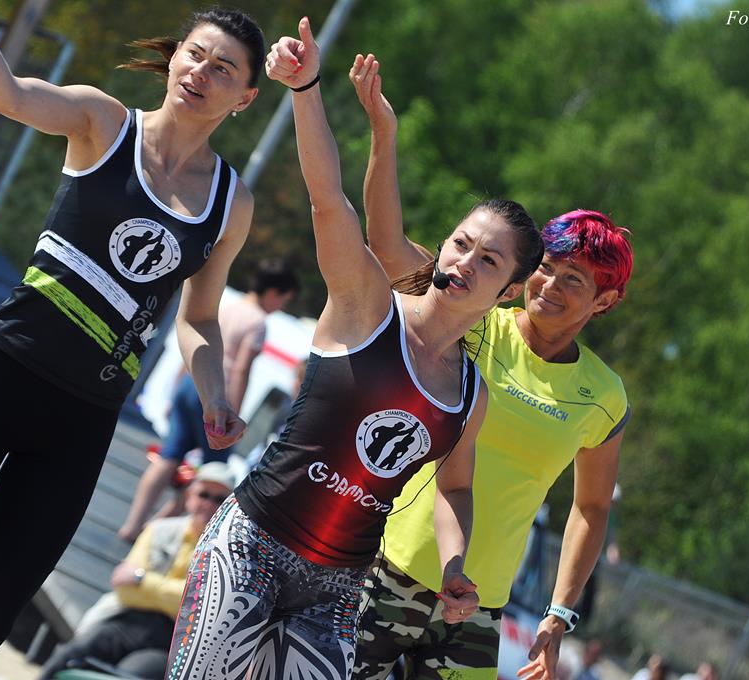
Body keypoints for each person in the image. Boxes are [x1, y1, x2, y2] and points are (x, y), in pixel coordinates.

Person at [0, 4, 265, 678]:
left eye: (223, 69)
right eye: (196, 54)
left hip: (82, 420)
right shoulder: (103, 121)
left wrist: (215, 395)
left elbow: (198, 319)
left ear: (246, 97)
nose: (201, 73)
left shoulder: (231, 202)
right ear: (174, 57)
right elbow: (6, 96)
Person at [164, 19, 545, 680]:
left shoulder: (469, 394)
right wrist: (306, 88)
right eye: (461, 244)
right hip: (253, 543)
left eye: (489, 261)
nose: (465, 262)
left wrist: (455, 565)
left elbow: (455, 488)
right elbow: (328, 200)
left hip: (338, 587)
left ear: (509, 292)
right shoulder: (369, 303)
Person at [346, 54, 632, 680]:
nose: (551, 286)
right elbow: (387, 245)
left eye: (575, 280)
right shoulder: (473, 316)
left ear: (605, 302)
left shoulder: (603, 396)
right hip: (385, 565)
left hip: (477, 606)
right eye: (547, 268)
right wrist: (383, 134)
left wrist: (559, 615)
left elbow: (591, 509)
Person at [119, 258, 299, 541]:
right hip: (217, 394)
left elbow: (196, 343)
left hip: (191, 382)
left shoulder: (228, 307)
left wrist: (177, 386)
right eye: (284, 301)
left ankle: (133, 523)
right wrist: (234, 411)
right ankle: (154, 530)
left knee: (170, 455)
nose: (281, 307)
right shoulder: (257, 323)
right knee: (213, 474)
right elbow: (240, 370)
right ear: (274, 293)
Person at [37, 463, 237, 680]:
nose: (209, 504)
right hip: (127, 621)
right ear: (189, 495)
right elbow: (125, 590)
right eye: (204, 494)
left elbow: (202, 607)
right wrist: (176, 595)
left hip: (173, 641)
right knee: (70, 655)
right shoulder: (159, 529)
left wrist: (141, 579)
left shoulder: (230, 552)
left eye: (219, 499)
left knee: (130, 675)